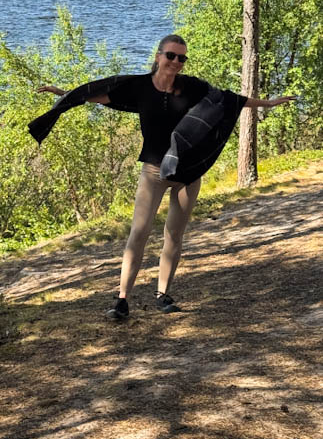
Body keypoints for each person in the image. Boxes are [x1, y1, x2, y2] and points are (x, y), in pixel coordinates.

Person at [36, 34, 295, 321]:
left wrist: (268, 104)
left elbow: (229, 100)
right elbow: (95, 94)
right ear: (158, 56)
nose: (176, 62)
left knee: (174, 234)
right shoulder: (139, 87)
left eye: (181, 58)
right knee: (139, 232)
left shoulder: (192, 87)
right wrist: (63, 94)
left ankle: (163, 294)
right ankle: (122, 299)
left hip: (188, 172)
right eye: (171, 55)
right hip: (153, 172)